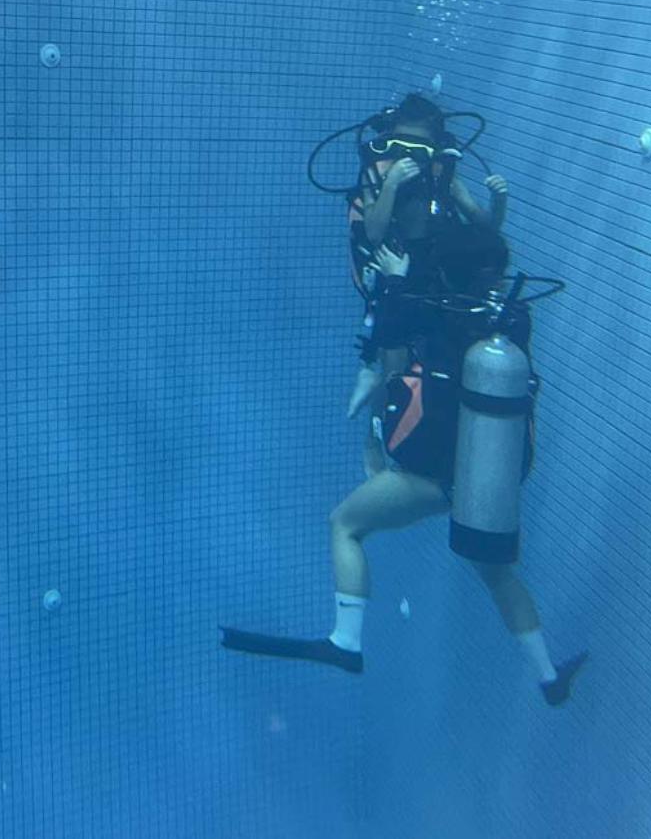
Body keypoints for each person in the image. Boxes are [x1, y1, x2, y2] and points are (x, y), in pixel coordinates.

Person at [222, 228, 587, 706]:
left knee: (344, 525)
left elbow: (387, 338)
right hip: (484, 479)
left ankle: (345, 640)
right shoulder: (514, 318)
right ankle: (548, 675)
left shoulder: (430, 311)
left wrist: (395, 280)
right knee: (497, 575)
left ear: (445, 273)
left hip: (429, 478)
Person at [345, 93, 510, 478]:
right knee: (393, 362)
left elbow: (486, 227)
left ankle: (424, 430)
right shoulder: (377, 171)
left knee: (439, 354)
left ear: (435, 145)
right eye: (400, 144)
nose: (410, 155)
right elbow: (373, 231)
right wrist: (390, 185)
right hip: (394, 267)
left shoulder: (442, 174)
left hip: (434, 272)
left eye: (420, 148)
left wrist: (498, 200)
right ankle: (376, 435)